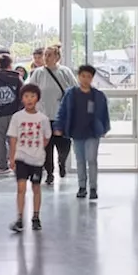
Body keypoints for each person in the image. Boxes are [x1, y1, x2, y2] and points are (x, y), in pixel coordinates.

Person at [54, 64, 110, 200]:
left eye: (89, 77)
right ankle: (82, 187)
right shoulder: (71, 94)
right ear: (79, 77)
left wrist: (104, 128)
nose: (85, 79)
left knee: (91, 159)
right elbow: (62, 111)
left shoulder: (98, 95)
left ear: (92, 78)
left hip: (92, 132)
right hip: (76, 131)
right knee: (80, 160)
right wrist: (58, 126)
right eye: (83, 76)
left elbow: (104, 113)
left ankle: (93, 188)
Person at [7, 83, 52, 232]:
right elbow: (13, 138)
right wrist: (12, 157)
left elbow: (46, 138)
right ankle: (20, 218)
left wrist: (38, 149)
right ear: (22, 99)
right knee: (21, 188)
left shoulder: (43, 119)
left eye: (32, 96)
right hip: (21, 157)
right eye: (26, 96)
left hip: (37, 159)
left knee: (36, 187)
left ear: (37, 98)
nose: (29, 99)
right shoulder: (17, 117)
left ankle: (36, 217)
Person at [28, 46, 75, 185]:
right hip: (43, 117)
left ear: (57, 57)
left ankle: (61, 162)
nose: (46, 58)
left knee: (64, 145)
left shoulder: (65, 72)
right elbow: (31, 91)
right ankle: (49, 172)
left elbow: (74, 89)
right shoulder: (38, 73)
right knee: (45, 148)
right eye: (45, 55)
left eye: (50, 55)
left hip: (61, 117)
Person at [0, 54, 24, 175]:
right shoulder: (17, 79)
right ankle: (17, 164)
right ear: (10, 64)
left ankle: (3, 166)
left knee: (0, 140)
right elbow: (22, 96)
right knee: (15, 140)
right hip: (15, 114)